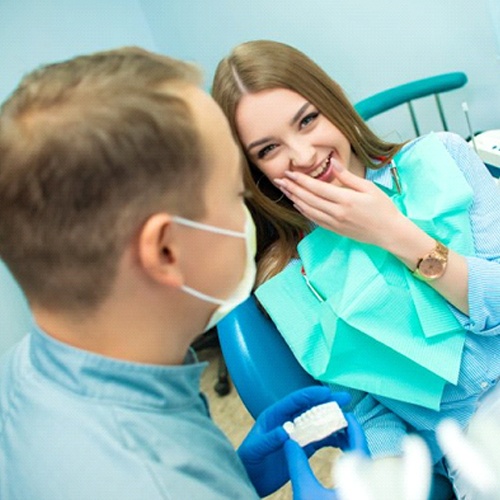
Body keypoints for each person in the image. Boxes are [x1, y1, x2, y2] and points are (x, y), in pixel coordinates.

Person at [0, 47, 365, 499]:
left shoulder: (31, 367)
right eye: (235, 194)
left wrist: (232, 474)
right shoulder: (154, 483)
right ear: (167, 251)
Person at [212, 39, 500, 498]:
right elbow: (369, 405)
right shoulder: (286, 276)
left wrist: (394, 234)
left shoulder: (442, 156)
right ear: (254, 170)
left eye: (307, 120)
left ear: (332, 104)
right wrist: (382, 477)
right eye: (269, 149)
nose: (304, 156)